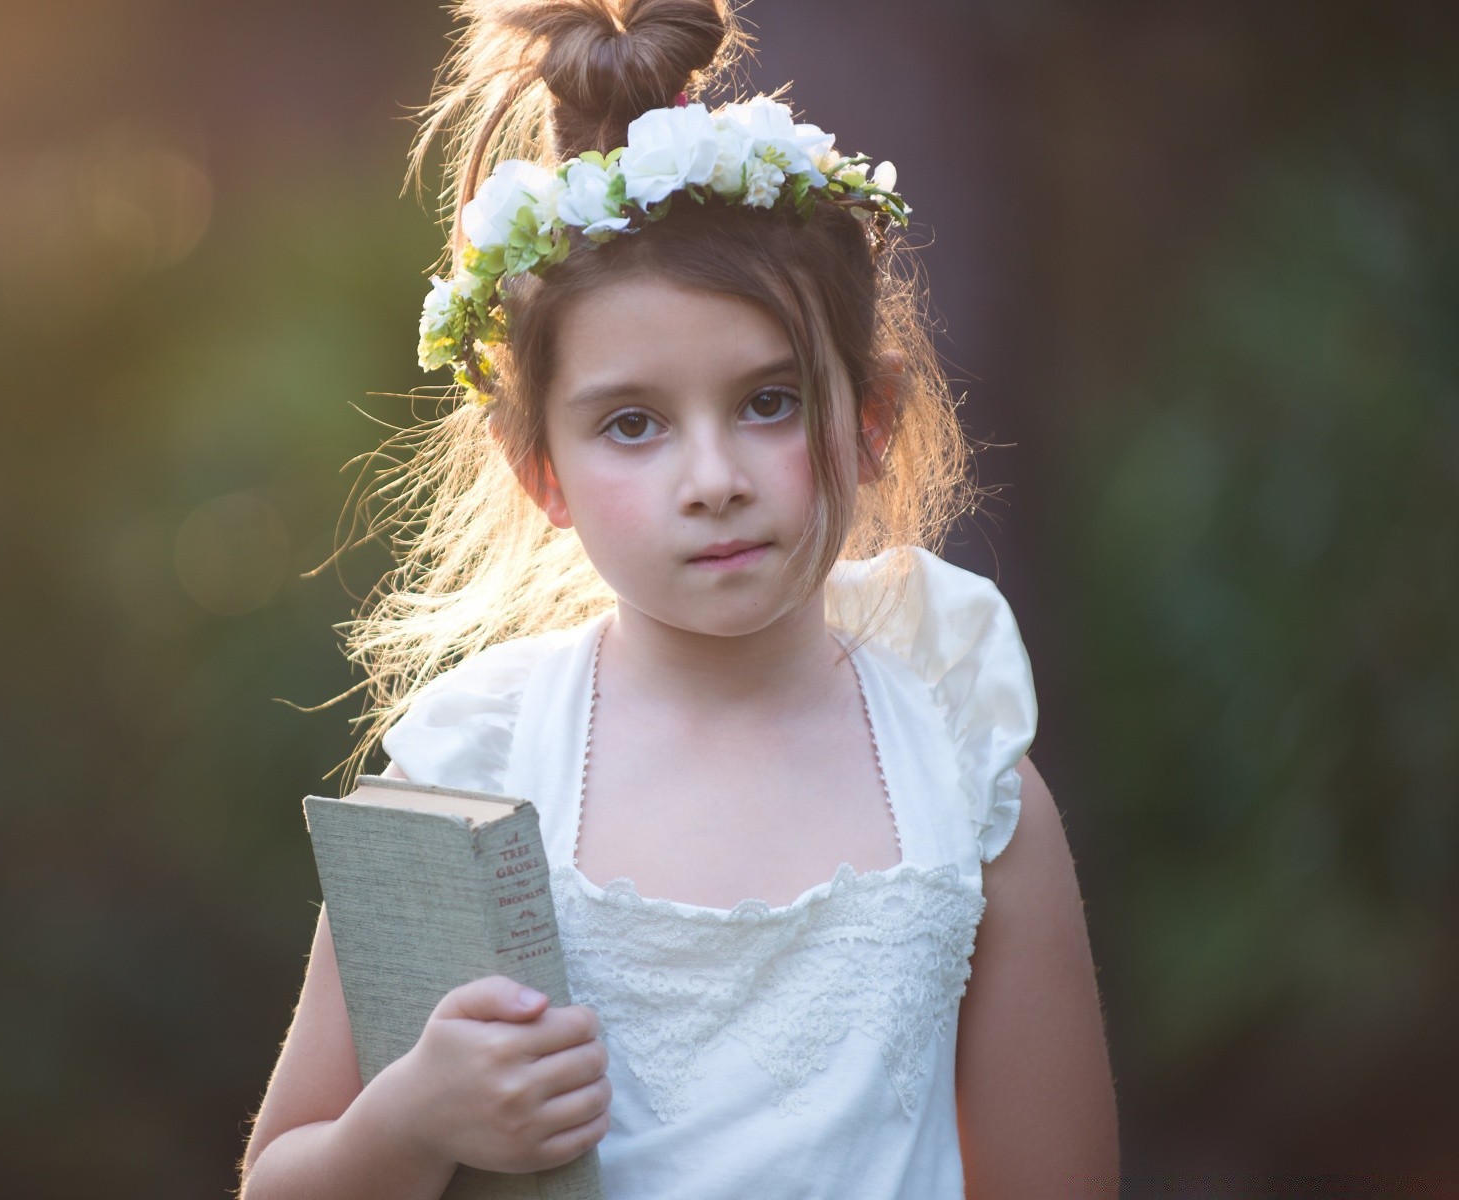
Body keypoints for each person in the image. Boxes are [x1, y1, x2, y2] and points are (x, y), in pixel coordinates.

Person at [239, 0, 1118, 1195]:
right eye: (634, 425)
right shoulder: (475, 771)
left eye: (767, 402)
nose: (712, 481)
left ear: (869, 417)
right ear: (537, 467)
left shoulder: (964, 771)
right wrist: (412, 1120)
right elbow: (280, 1177)